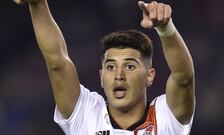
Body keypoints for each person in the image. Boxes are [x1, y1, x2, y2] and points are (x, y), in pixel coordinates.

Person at [13, 0, 195, 134]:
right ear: (101, 76)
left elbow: (184, 77)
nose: (119, 75)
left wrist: (166, 28)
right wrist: (37, 4)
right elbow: (57, 62)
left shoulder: (166, 118)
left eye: (130, 66)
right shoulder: (86, 114)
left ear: (149, 75)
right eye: (110, 67)